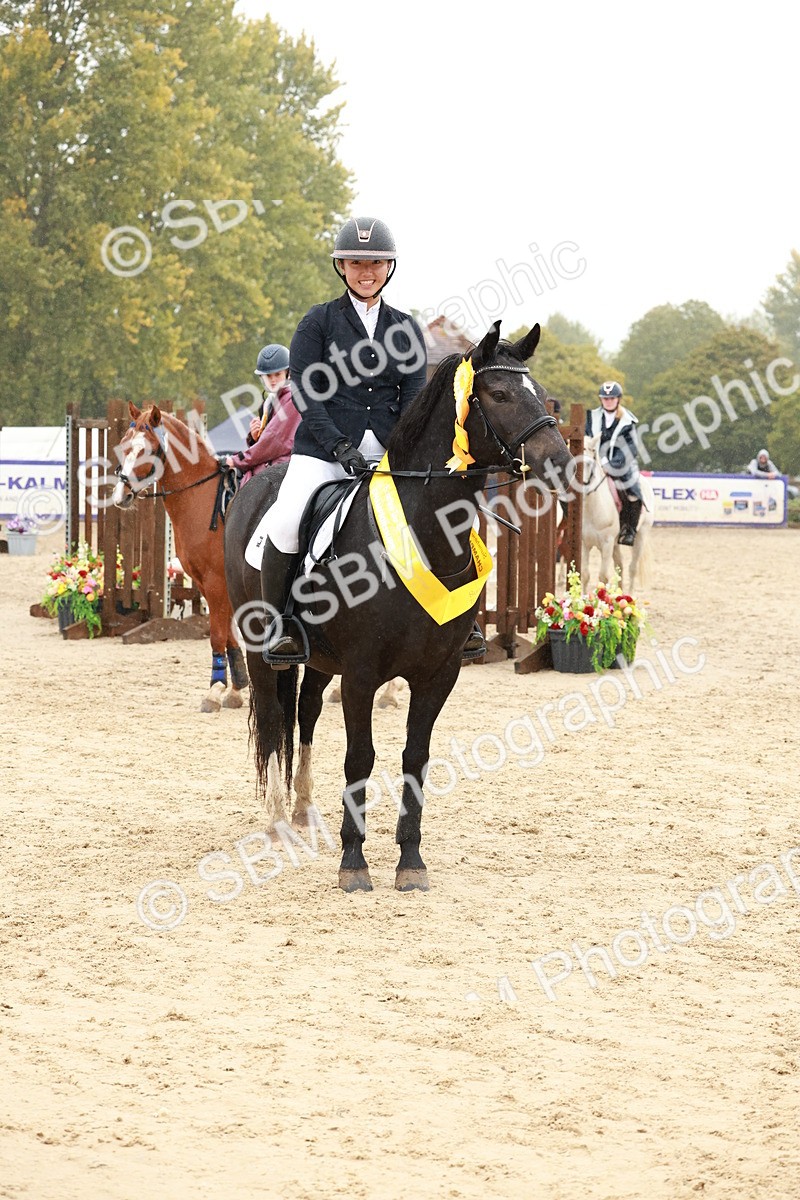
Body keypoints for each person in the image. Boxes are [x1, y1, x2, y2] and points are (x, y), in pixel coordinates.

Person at [260, 215, 485, 666]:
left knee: (463, 522)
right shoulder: (317, 322)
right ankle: (282, 624)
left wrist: (400, 450)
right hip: (323, 451)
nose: (367, 272)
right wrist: (338, 446)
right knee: (286, 521)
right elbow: (306, 391)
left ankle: (463, 622)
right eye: (357, 263)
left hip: (388, 453)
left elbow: (414, 396)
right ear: (341, 267)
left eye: (376, 263)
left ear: (389, 267)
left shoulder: (405, 328)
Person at [225, 344, 299, 484]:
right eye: (268, 376)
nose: (272, 380)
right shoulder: (271, 401)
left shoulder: (292, 399)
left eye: (277, 374)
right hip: (270, 468)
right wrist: (255, 437)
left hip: (284, 471)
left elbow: (274, 441)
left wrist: (236, 460)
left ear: (288, 373)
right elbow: (268, 441)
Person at [585, 381, 644, 545]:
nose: (608, 401)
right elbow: (586, 437)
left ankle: (629, 530)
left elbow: (630, 448)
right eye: (605, 398)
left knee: (633, 491)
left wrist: (611, 465)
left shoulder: (627, 421)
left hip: (620, 463)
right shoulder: (592, 417)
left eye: (612, 398)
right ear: (601, 399)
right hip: (593, 461)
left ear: (618, 399)